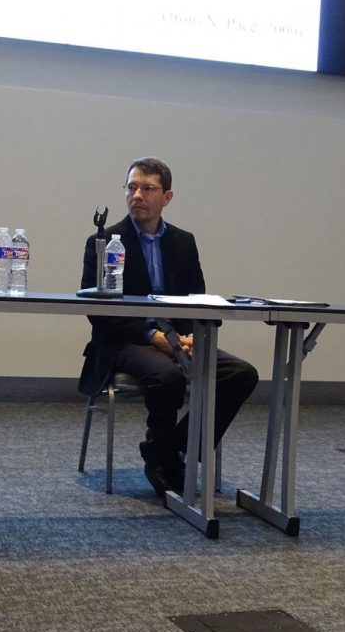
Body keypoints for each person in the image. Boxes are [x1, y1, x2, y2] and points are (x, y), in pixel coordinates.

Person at [78, 156, 258, 497]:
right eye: (132, 187)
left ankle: (167, 449)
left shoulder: (183, 241)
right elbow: (98, 311)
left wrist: (191, 335)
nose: (137, 195)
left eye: (148, 188)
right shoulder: (104, 241)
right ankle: (166, 459)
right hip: (125, 340)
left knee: (241, 373)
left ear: (167, 197)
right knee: (168, 375)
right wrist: (154, 336)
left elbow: (197, 297)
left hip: (179, 339)